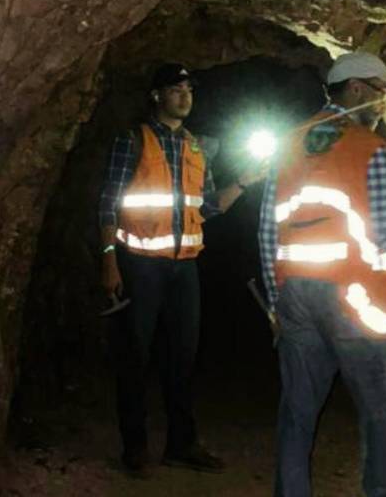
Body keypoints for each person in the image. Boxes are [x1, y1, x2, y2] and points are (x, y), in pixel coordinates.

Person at [258, 51, 386, 497]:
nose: (384, 101)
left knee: (297, 412)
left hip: (296, 295)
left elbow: (265, 228)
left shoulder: (290, 141)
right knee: (378, 412)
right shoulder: (365, 147)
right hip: (355, 297)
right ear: (355, 89)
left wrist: (276, 301)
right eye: (380, 91)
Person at [99, 63, 263, 478]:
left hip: (184, 269)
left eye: (189, 89)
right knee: (135, 358)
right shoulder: (134, 140)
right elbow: (108, 204)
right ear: (156, 96)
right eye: (175, 89)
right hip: (140, 266)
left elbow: (206, 208)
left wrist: (243, 182)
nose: (184, 96)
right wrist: (109, 261)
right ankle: (135, 448)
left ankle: (181, 444)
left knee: (183, 358)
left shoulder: (195, 148)